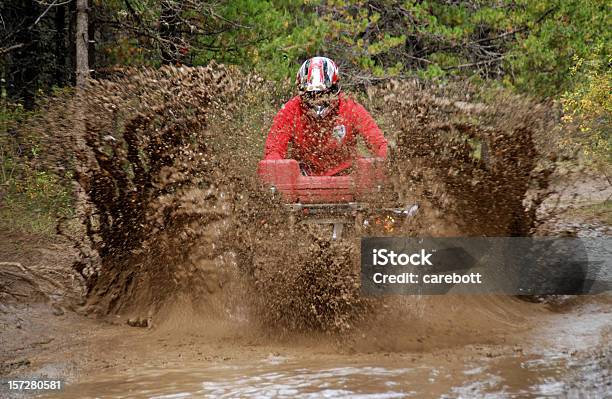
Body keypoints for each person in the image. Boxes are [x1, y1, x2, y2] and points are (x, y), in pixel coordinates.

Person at [263, 56, 387, 176]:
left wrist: (386, 161)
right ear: (302, 92)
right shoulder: (291, 110)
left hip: (346, 176)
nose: (318, 100)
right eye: (311, 95)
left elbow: (378, 142)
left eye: (324, 93)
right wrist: (275, 168)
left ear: (335, 89)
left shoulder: (350, 107)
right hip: (304, 178)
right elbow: (274, 150)